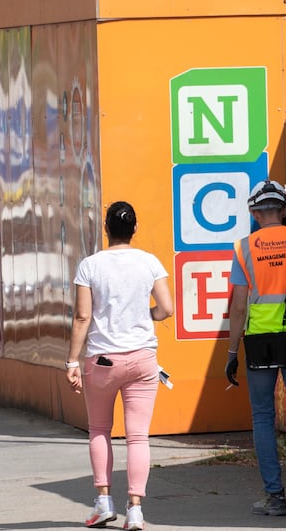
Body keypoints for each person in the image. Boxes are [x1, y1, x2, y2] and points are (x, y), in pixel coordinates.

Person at [66, 201, 174, 530]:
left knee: (99, 430)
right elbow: (166, 308)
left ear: (106, 229)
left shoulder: (90, 265)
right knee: (138, 437)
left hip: (102, 361)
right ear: (135, 228)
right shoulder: (150, 262)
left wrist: (71, 361)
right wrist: (146, 315)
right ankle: (136, 511)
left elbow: (82, 316)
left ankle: (103, 503)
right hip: (142, 359)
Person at [225, 179, 286, 517]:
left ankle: (275, 498)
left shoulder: (243, 248)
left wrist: (231, 352)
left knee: (263, 416)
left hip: (260, 341)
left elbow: (239, 306)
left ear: (255, 214)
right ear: (284, 210)